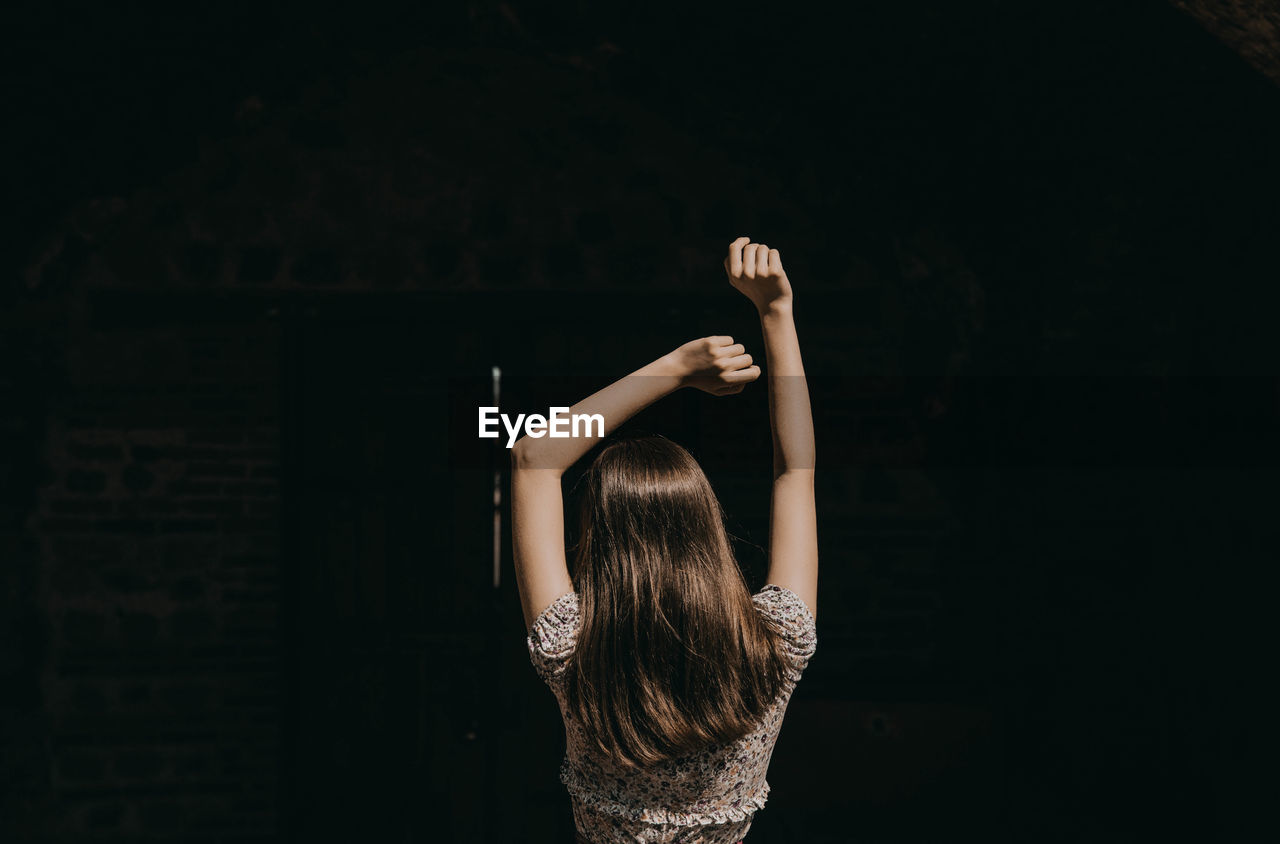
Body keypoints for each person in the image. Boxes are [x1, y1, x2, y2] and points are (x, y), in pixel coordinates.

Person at [511, 237, 817, 844]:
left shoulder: (570, 653)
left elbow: (533, 458)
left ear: (601, 543)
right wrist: (775, 312)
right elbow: (795, 473)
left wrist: (675, 369)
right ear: (708, 527)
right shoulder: (778, 645)